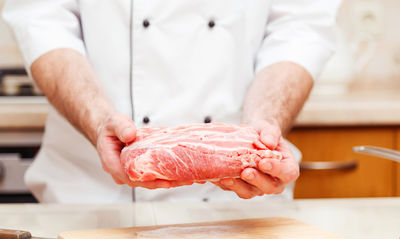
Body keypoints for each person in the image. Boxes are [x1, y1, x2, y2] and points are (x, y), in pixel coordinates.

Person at [2, 0, 341, 203]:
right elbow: (42, 19)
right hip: (92, 199)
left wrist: (265, 123)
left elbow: (300, 26)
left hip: (241, 211)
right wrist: (98, 120)